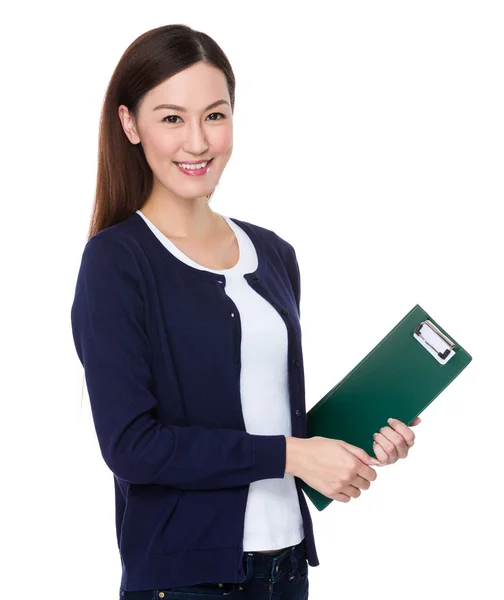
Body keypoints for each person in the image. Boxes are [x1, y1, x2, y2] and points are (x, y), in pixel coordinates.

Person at [70, 24, 421, 600]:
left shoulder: (275, 254)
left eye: (215, 115)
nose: (198, 142)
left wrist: (357, 443)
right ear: (130, 124)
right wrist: (293, 454)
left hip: (286, 571)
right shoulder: (117, 262)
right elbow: (133, 446)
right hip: (186, 583)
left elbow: (268, 422)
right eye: (171, 118)